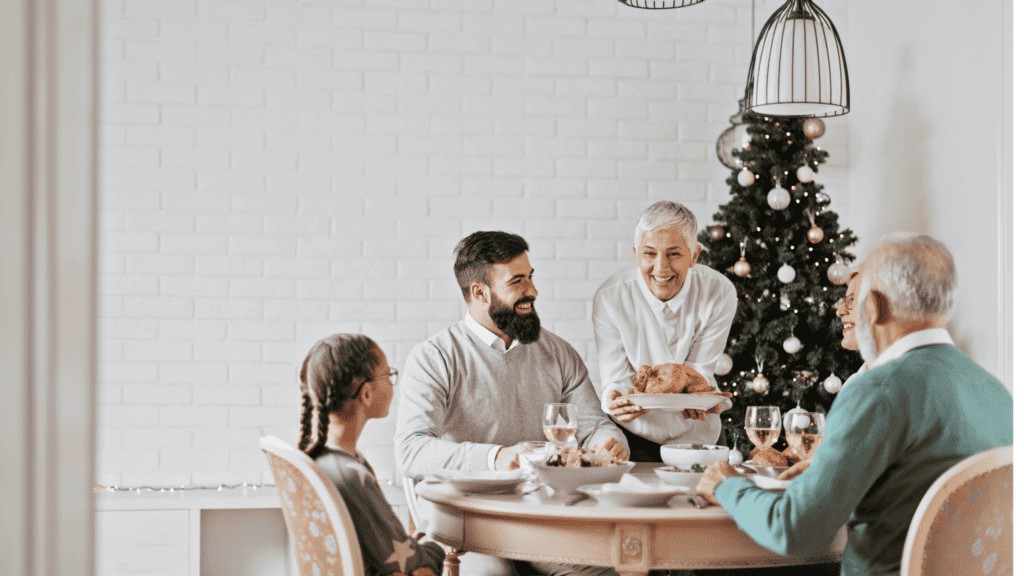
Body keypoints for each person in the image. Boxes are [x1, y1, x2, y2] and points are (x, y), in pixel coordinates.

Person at [696, 233, 1013, 576]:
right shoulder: (996, 391)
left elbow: (795, 531)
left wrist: (725, 484)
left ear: (874, 307)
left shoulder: (877, 389)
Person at [394, 230, 628, 576]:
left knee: (606, 572)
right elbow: (411, 450)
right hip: (468, 526)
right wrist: (496, 457)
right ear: (479, 292)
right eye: (517, 281)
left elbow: (596, 425)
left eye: (531, 277)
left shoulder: (559, 353)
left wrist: (608, 443)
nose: (532, 291)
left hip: (547, 520)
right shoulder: (434, 357)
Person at [592, 201, 737, 461]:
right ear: (636, 253)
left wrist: (698, 394)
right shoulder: (610, 298)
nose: (661, 267)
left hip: (699, 433)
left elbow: (699, 370)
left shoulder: (719, 291)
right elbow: (615, 378)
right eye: (649, 253)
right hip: (633, 434)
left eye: (674, 254)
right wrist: (613, 398)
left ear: (695, 256)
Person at [298, 333, 445, 576]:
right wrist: (437, 547)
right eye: (388, 376)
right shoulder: (352, 477)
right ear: (366, 393)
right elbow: (411, 565)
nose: (391, 384)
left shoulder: (318, 460)